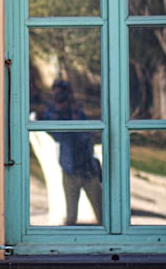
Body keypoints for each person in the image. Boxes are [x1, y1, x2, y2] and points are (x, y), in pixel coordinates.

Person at [42, 79, 102, 225]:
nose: (61, 97)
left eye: (63, 94)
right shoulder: (52, 111)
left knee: (102, 213)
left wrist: (74, 110)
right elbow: (52, 131)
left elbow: (85, 135)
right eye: (57, 94)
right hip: (70, 169)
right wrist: (58, 109)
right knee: (71, 214)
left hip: (88, 168)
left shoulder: (77, 109)